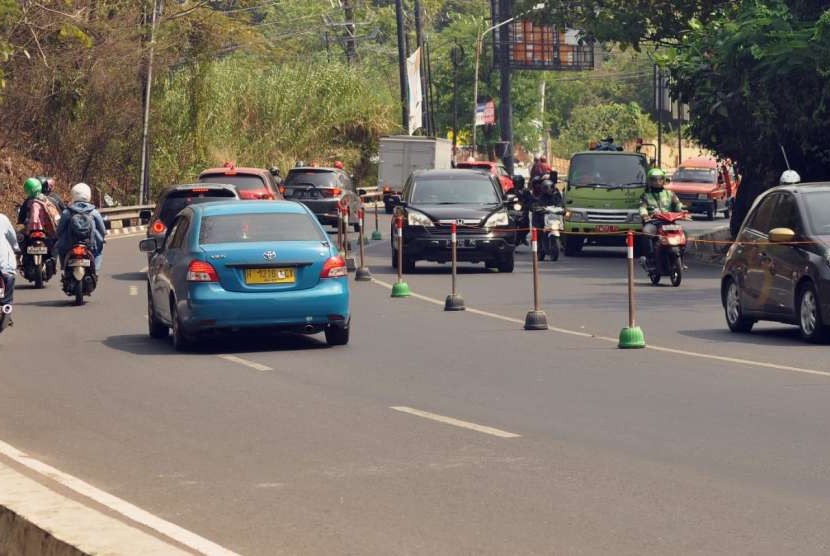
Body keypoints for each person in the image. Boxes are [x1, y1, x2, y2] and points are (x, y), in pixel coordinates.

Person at [56, 183, 106, 272]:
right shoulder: (94, 212)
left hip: (70, 244)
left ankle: (64, 267)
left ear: (73, 195)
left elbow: (60, 229)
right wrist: (102, 238)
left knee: (60, 248)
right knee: (98, 252)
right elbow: (102, 230)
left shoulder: (67, 212)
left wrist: (58, 237)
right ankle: (95, 271)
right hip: (90, 244)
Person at [639, 168, 684, 265]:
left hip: (669, 222)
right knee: (647, 232)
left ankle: (681, 258)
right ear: (649, 181)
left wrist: (682, 210)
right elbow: (642, 207)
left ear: (664, 180)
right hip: (653, 222)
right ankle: (650, 259)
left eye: (660, 179)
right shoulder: (645, 195)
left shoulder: (670, 193)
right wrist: (645, 215)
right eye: (654, 180)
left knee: (684, 234)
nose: (657, 182)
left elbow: (677, 204)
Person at [0, 211, 19, 327]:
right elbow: (12, 237)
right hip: (4, 263)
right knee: (9, 277)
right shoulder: (2, 218)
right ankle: (6, 308)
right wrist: (16, 247)